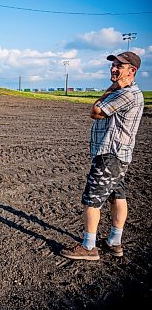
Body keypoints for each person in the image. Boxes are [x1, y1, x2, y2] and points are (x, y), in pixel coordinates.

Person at [61, 51, 144, 261]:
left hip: (109, 155)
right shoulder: (132, 92)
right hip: (120, 155)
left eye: (119, 66)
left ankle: (89, 247)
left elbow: (96, 111)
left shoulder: (126, 94)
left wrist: (109, 90)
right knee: (118, 196)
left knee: (92, 201)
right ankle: (114, 242)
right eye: (113, 65)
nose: (114, 69)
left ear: (132, 71)